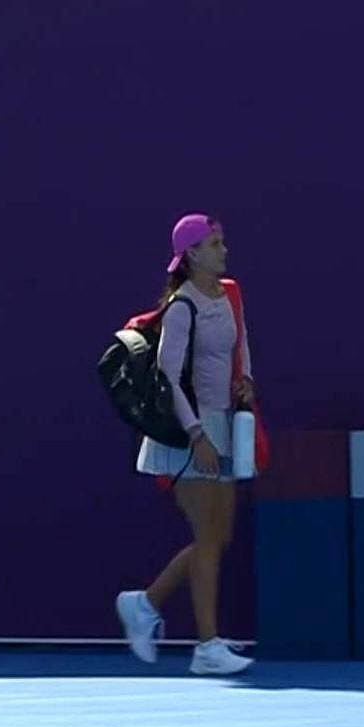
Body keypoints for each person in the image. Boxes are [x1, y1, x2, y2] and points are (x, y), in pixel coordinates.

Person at [116, 214, 256, 676]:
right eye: (215, 244)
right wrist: (197, 435)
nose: (224, 250)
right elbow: (167, 379)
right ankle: (207, 647)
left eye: (222, 242)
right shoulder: (181, 308)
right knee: (209, 539)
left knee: (218, 537)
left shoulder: (230, 294)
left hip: (225, 427)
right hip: (188, 434)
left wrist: (246, 381)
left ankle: (145, 603)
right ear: (192, 253)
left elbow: (242, 347)